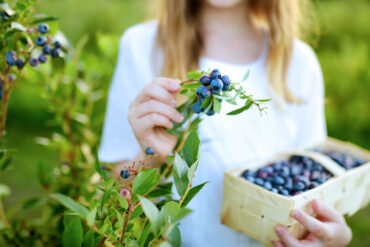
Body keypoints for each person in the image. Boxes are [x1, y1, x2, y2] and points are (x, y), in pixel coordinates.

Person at [98, 0, 352, 246]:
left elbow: (314, 188)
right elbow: (113, 197)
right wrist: (151, 155)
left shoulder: (298, 62)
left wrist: (331, 237)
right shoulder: (143, 47)